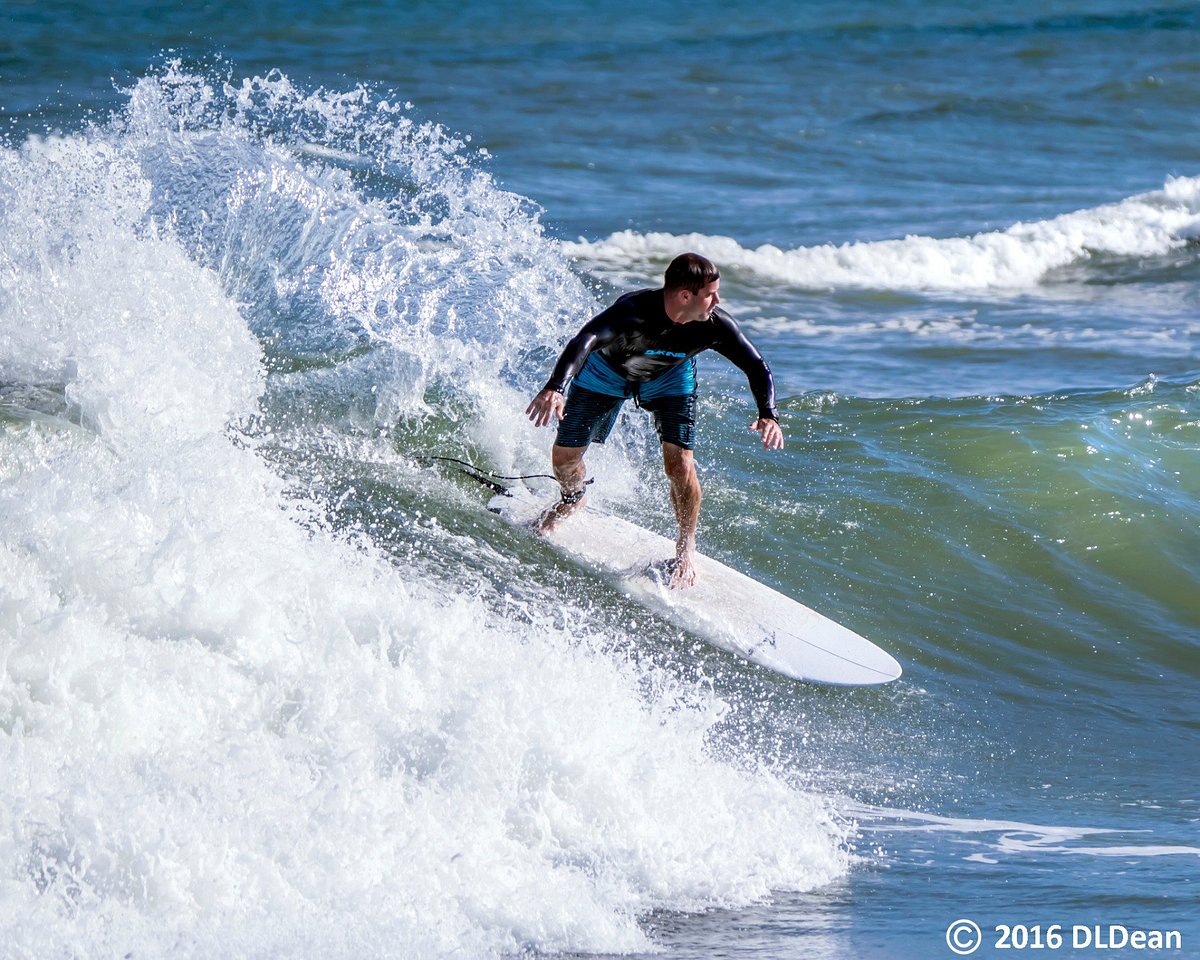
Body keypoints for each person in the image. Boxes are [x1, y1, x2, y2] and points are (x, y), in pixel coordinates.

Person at [525, 252, 783, 589]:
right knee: (565, 459)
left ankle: (686, 547)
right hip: (607, 372)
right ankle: (573, 498)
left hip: (669, 379)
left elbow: (755, 364)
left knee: (680, 465)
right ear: (684, 296)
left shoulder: (715, 325)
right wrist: (556, 387)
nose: (717, 301)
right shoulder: (632, 312)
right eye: (710, 294)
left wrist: (768, 413)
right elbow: (585, 340)